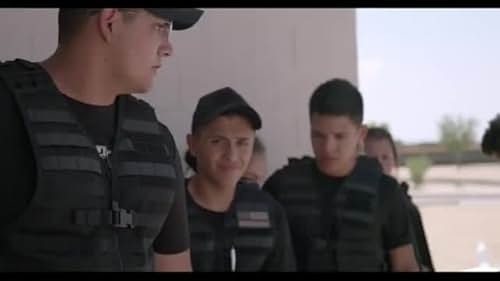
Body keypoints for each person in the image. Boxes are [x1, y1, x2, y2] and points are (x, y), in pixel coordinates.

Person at [0, 8, 203, 271]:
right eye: (160, 27)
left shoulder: (156, 140)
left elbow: (173, 265)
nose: (168, 48)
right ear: (110, 22)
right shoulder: (6, 113)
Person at [262, 78, 419, 272]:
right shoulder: (282, 186)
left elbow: (404, 265)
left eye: (339, 136)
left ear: (360, 134)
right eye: (318, 135)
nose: (328, 148)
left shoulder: (386, 191)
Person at [183, 87, 296, 272]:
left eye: (242, 143)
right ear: (193, 144)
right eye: (217, 141)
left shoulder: (269, 212)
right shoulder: (168, 208)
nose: (232, 155)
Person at [364, 126, 435, 272]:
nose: (379, 165)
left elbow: (420, 258)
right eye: (372, 159)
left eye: (385, 157)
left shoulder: (406, 206)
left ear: (394, 161)